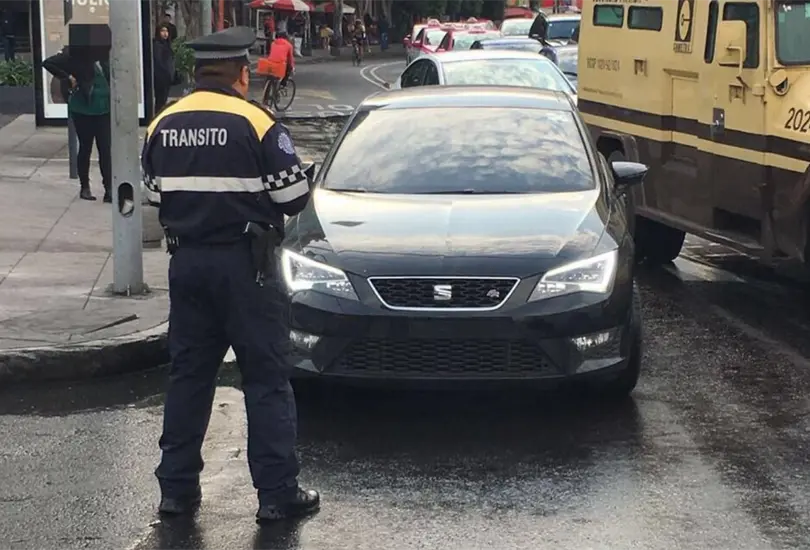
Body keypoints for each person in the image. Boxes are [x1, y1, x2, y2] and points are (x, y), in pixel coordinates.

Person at [140, 25, 319, 523]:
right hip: (247, 268)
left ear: (198, 73)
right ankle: (277, 494)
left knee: (188, 378)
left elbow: (155, 196)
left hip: (189, 264)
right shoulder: (258, 123)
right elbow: (294, 198)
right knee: (265, 377)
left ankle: (176, 492)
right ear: (242, 73)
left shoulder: (163, 123)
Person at [42, 47, 112, 202]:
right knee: (86, 147)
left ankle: (109, 189)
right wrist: (67, 77)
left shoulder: (104, 57)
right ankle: (85, 187)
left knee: (105, 149)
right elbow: (48, 63)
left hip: (105, 109)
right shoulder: (74, 56)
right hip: (83, 109)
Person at [153, 24, 175, 115]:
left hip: (167, 78)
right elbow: (158, 61)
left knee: (163, 100)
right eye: (162, 31)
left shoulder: (167, 44)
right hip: (161, 78)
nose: (165, 34)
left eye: (166, 31)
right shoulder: (157, 45)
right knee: (160, 100)